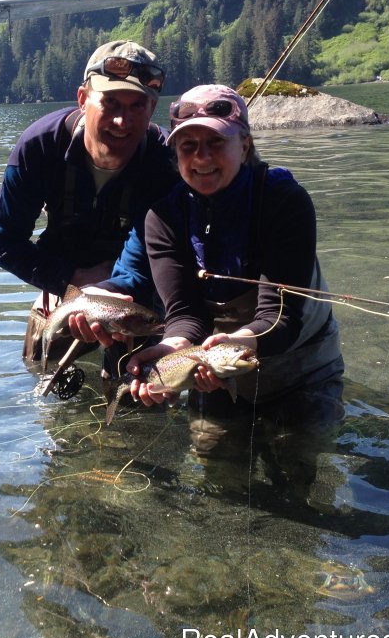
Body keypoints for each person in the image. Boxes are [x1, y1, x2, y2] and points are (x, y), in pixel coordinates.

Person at [103, 84, 345, 468]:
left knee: (300, 457)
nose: (202, 158)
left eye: (215, 142)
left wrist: (233, 344)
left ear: (244, 145)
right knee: (216, 458)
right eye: (188, 146)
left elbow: (280, 317)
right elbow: (184, 313)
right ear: (175, 155)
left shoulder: (283, 201)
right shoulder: (163, 218)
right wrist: (172, 350)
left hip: (301, 364)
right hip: (217, 364)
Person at [0, 41, 177, 362]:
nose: (122, 121)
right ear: (82, 99)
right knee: (42, 365)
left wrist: (115, 287)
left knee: (142, 384)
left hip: (138, 288)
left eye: (136, 106)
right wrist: (71, 279)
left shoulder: (163, 161)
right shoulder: (40, 146)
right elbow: (2, 241)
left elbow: (155, 247)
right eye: (111, 103)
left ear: (151, 108)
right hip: (64, 285)